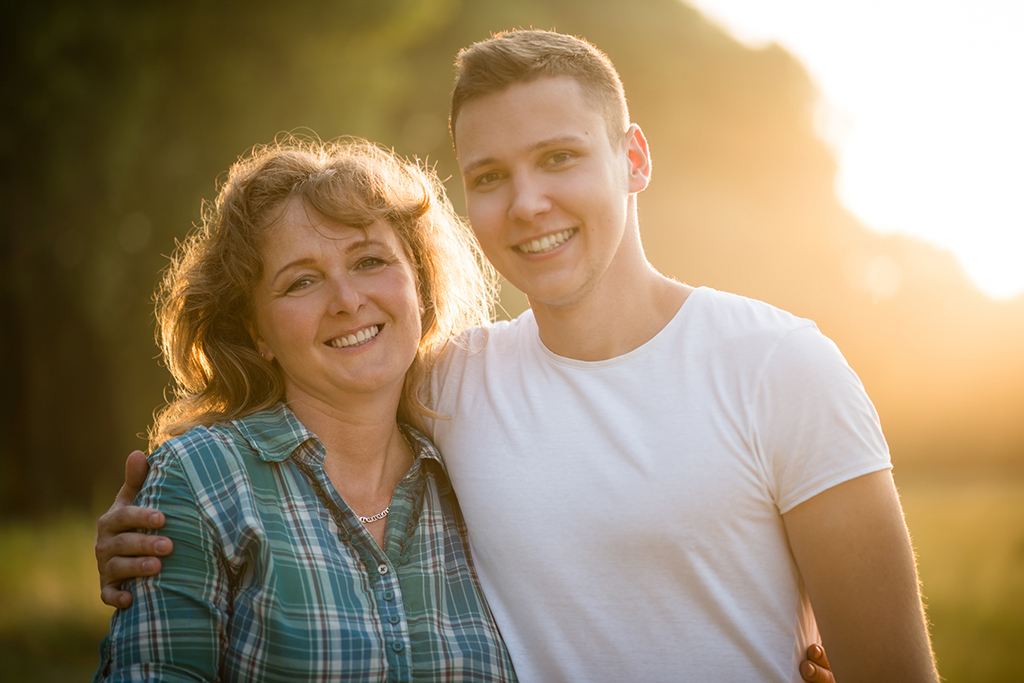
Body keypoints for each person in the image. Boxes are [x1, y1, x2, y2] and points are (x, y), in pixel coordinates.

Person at [95, 30, 938, 682]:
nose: (529, 202)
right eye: (490, 176)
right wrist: (154, 525)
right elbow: (310, 401)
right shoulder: (453, 383)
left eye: (560, 158)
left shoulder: (781, 368)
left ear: (633, 158)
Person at [91, 138, 518, 681]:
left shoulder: (477, 480)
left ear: (420, 284)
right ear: (256, 331)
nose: (346, 299)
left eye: (369, 261)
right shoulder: (200, 481)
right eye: (302, 281)